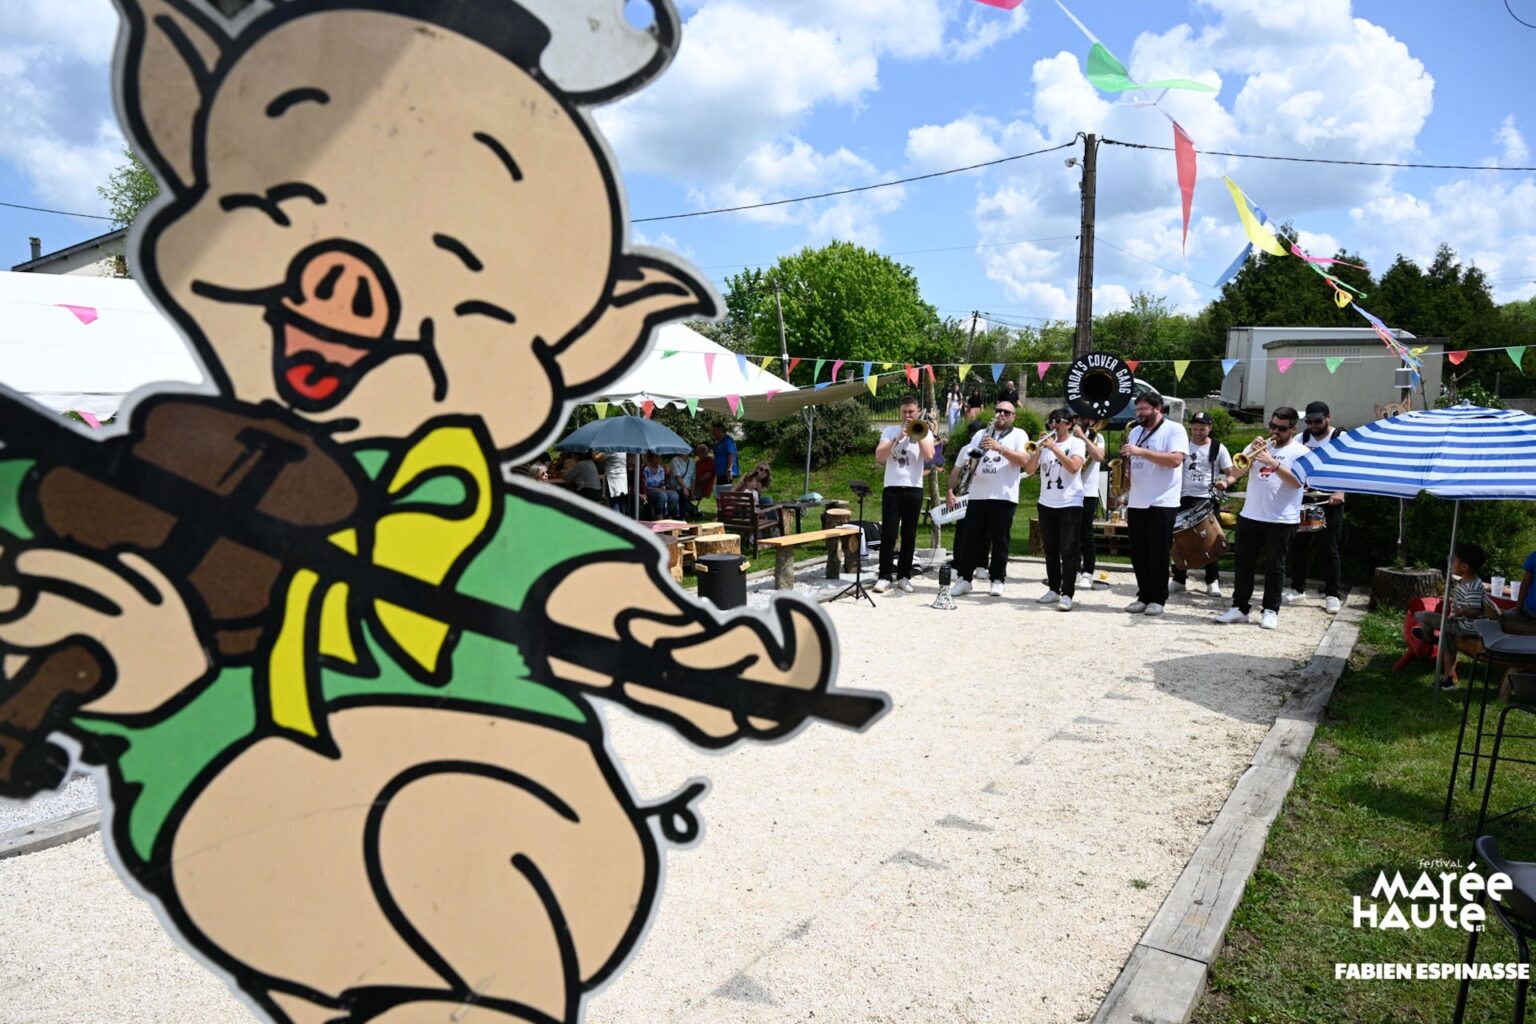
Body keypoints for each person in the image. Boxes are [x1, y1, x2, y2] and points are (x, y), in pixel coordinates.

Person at [1214, 407, 1308, 630]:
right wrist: (1251, 451)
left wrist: (1273, 462)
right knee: (1243, 564)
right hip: (1251, 515)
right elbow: (1237, 472)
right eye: (1272, 426)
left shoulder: (1301, 452)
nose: (1275, 432)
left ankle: (1270, 610)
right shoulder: (1258, 447)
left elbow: (1297, 482)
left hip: (1282, 519)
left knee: (1275, 566)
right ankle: (1239, 608)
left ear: (1293, 429)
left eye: (1281, 428)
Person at [944, 401, 1028, 597]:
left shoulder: (1019, 434)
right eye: (998, 411)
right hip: (977, 495)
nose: (1001, 414)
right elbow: (970, 458)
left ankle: (997, 579)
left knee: (1000, 541)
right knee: (969, 539)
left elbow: (1024, 460)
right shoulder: (981, 434)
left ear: (1013, 416)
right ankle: (964, 579)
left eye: (1006, 412)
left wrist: (999, 448)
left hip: (1004, 496)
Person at [1121, 393, 1188, 616]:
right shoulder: (1135, 431)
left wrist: (1140, 452)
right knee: (1138, 552)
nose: (1139, 414)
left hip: (1162, 500)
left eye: (1143, 409)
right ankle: (1144, 595)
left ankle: (1158, 599)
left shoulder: (1174, 430)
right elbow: (1134, 461)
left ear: (1158, 408)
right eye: (1137, 410)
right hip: (1137, 500)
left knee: (1158, 552)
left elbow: (1175, 460)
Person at [1286, 400, 1346, 614]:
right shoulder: (1301, 439)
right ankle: (1297, 588)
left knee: (1328, 547)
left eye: (1317, 421)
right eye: (1309, 422)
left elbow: (1347, 466)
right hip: (1305, 497)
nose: (1313, 426)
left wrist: (1341, 491)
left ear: (1328, 417)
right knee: (1299, 545)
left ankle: (1333, 594)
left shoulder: (1339, 437)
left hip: (1329, 499)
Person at [1025, 408, 1086, 611]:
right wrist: (1039, 450)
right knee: (1050, 549)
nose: (1054, 425)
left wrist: (1054, 448)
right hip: (1046, 502)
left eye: (1058, 421)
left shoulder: (1076, 443)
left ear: (1069, 424)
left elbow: (1074, 467)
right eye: (1051, 421)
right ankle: (1053, 588)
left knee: (1068, 550)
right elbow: (1029, 470)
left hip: (1070, 503)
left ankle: (1067, 593)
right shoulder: (1045, 446)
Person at [874, 395, 936, 594]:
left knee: (909, 534)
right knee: (889, 533)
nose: (908, 415)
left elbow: (930, 456)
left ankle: (904, 575)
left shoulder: (925, 432)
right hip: (892, 487)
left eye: (911, 412)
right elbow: (879, 457)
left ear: (917, 412)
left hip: (913, 488)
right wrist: (897, 438)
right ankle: (884, 575)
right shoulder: (890, 431)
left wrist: (917, 434)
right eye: (905, 412)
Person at [1169, 411, 1233, 597]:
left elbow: (1231, 472)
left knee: (1210, 540)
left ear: (1209, 428)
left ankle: (1212, 580)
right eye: (1195, 429)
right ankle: (1179, 578)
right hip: (1182, 496)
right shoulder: (1182, 445)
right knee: (1179, 539)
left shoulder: (1218, 448)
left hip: (1207, 498)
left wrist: (1225, 482)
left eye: (1202, 429)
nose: (1197, 433)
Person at [1412, 542, 1488, 687]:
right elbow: (1467, 601)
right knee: (1448, 645)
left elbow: (1475, 611)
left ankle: (1429, 639)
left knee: (1422, 616)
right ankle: (1448, 680)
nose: (1451, 563)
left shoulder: (1471, 588)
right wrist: (1454, 602)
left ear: (1464, 567)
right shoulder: (1468, 581)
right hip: (1461, 623)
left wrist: (1462, 611)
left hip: (1466, 627)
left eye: (1454, 561)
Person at [1072, 413, 1106, 592]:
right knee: (1070, 534)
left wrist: (1083, 438)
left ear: (1090, 420)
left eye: (1081, 417)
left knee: (1086, 534)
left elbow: (1099, 456)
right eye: (1075, 417)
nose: (1077, 420)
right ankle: (1073, 569)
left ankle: (1088, 572)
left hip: (1087, 492)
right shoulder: (1068, 437)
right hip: (1068, 491)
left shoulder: (1097, 437)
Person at [641, 452, 680, 519]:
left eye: (660, 457)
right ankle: (659, 515)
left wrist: (663, 487)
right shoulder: (646, 469)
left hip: (660, 489)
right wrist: (658, 489)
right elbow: (645, 485)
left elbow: (662, 482)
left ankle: (669, 516)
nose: (659, 459)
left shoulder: (661, 469)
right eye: (656, 457)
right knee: (661, 495)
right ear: (651, 458)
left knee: (674, 495)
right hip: (649, 490)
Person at [669, 448, 697, 519]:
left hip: (688, 487)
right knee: (682, 493)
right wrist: (684, 488)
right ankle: (680, 517)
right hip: (676, 487)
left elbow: (693, 478)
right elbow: (677, 476)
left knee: (685, 494)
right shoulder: (675, 460)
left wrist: (692, 492)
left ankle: (682, 515)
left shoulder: (692, 462)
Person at [600, 450, 630, 515]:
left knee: (614, 503)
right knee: (621, 504)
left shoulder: (611, 449)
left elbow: (596, 458)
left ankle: (616, 520)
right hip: (622, 480)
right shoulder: (622, 449)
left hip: (614, 480)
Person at [711, 422, 738, 493]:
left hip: (726, 473)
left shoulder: (727, 441)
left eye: (714, 431)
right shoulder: (720, 442)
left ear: (720, 430)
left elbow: (731, 454)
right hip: (721, 473)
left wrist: (729, 469)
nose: (713, 433)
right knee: (720, 492)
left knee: (724, 493)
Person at [693, 443, 716, 507]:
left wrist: (695, 482)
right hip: (695, 486)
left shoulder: (710, 461)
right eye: (699, 451)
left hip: (702, 489)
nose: (700, 453)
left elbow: (708, 475)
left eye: (703, 451)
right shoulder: (698, 462)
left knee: (684, 493)